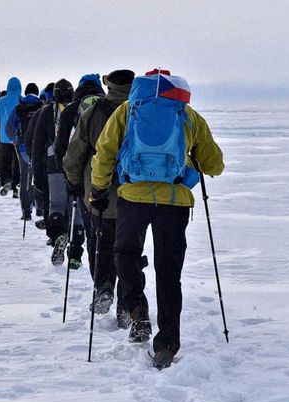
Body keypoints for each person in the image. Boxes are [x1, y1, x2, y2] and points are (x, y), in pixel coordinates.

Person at [90, 69, 225, 369]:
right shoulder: (185, 114)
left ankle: (137, 310)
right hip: (174, 202)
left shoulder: (128, 109)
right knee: (168, 271)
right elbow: (214, 164)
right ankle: (167, 344)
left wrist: (99, 188)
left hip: (132, 197)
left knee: (124, 253)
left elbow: (105, 151)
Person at [63, 69, 134, 327]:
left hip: (97, 190)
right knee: (129, 250)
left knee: (101, 242)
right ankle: (128, 303)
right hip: (134, 193)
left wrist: (73, 183)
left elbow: (75, 154)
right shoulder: (139, 112)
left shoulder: (92, 113)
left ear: (109, 86)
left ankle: (103, 287)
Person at [53, 73, 105, 270]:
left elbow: (61, 147)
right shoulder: (112, 107)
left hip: (81, 172)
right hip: (110, 173)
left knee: (81, 215)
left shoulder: (71, 109)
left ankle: (77, 255)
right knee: (106, 223)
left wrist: (68, 175)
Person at [32, 79, 80, 266]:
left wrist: (38, 176)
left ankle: (58, 235)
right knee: (75, 205)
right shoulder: (79, 109)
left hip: (53, 164)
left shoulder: (46, 113)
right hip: (76, 162)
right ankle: (75, 252)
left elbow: (37, 146)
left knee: (57, 203)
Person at [5, 82, 42, 220]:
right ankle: (40, 208)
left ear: (25, 93)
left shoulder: (18, 108)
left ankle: (26, 211)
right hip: (39, 149)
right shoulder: (42, 106)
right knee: (39, 177)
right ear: (37, 93)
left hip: (22, 149)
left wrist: (14, 139)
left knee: (25, 178)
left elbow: (9, 127)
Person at [0, 77, 22, 196]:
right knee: (18, 161)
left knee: (6, 161)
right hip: (18, 137)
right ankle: (17, 184)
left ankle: (7, 180)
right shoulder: (22, 100)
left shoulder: (1, 101)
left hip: (4, 137)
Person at [27, 83, 54, 228]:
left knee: (46, 190)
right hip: (68, 161)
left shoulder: (42, 113)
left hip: (45, 160)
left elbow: (30, 139)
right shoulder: (73, 109)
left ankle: (49, 220)